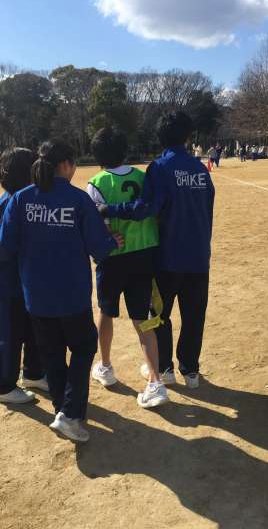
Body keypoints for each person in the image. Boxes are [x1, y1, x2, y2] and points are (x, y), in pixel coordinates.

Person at [0, 141, 123, 442]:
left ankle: (62, 411)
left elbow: (2, 247)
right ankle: (70, 413)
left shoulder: (21, 198)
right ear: (66, 164)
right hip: (72, 294)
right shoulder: (77, 199)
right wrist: (112, 242)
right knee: (84, 346)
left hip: (36, 296)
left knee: (51, 353)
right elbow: (99, 248)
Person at [99, 112, 215, 389]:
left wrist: (109, 209)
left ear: (160, 137)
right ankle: (191, 370)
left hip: (168, 256)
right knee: (194, 315)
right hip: (199, 255)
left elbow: (145, 208)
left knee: (159, 315)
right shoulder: (200, 169)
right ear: (188, 136)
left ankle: (164, 368)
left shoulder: (160, 168)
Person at [88, 127, 169, 409]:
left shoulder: (97, 182)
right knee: (143, 318)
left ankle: (106, 366)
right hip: (144, 254)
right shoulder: (142, 176)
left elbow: (96, 223)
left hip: (113, 257)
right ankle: (155, 381)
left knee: (106, 311)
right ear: (125, 151)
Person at [0, 147, 47, 404]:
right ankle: (4, 387)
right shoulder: (12, 202)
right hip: (5, 284)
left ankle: (33, 373)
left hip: (23, 282)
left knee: (32, 329)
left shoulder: (21, 199)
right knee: (10, 335)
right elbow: (3, 248)